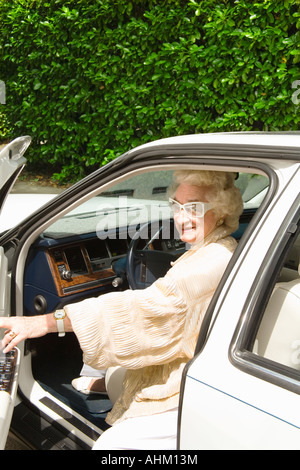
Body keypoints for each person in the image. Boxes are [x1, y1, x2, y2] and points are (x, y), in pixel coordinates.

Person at [0, 170, 243, 450]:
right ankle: (102, 382)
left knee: (110, 448)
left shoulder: (209, 264)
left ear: (222, 210)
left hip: (180, 387)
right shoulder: (219, 248)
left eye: (194, 208)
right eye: (176, 205)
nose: (181, 217)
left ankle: (102, 382)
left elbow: (143, 310)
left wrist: (44, 322)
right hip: (194, 360)